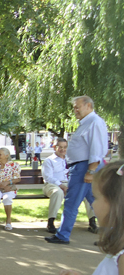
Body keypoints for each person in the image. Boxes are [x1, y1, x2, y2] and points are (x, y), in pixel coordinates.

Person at [46, 96, 108, 244]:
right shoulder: (87, 123)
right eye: (74, 107)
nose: (75, 110)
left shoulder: (94, 122)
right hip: (83, 167)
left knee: (72, 202)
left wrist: (91, 171)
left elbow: (96, 149)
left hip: (85, 167)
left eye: (77, 107)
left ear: (88, 105)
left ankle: (63, 235)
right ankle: (111, 237)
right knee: (97, 203)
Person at [42, 138, 97, 234]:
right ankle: (51, 222)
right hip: (52, 185)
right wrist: (61, 186)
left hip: (70, 184)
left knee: (86, 192)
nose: (63, 149)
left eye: (65, 147)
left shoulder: (71, 160)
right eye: (60, 147)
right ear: (54, 147)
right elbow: (48, 177)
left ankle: (92, 221)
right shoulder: (49, 161)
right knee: (57, 193)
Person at [0, 147, 21, 231]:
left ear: (7, 155)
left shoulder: (14, 165)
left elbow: (18, 178)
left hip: (9, 187)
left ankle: (8, 221)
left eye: (0, 154)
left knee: (7, 198)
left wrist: (8, 182)